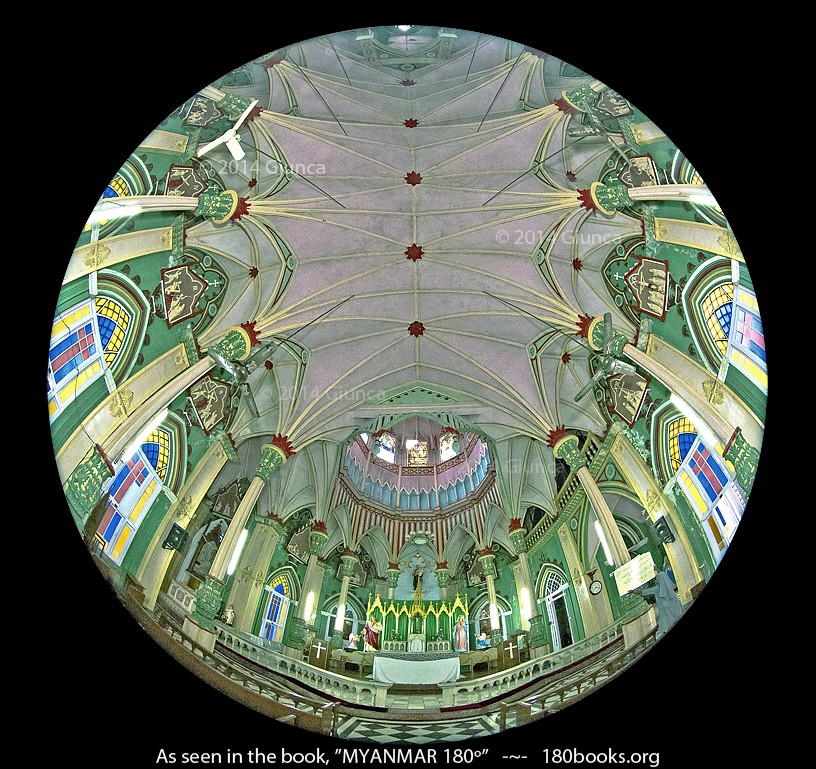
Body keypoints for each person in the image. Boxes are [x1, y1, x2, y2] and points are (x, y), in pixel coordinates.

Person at [639, 566, 683, 638]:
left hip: (669, 619)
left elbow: (644, 591)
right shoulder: (669, 587)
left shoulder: (658, 589)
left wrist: (635, 592)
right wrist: (656, 569)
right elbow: (663, 575)